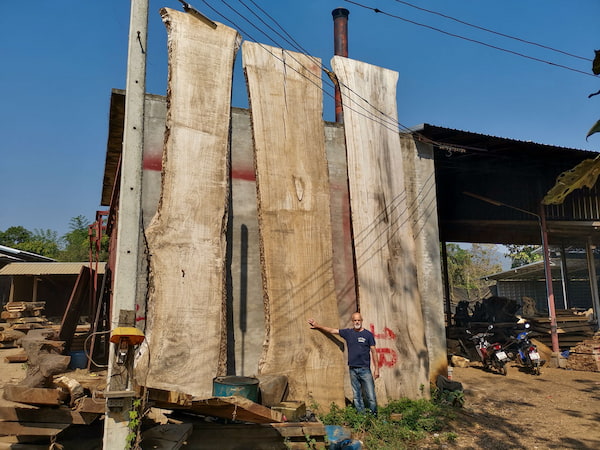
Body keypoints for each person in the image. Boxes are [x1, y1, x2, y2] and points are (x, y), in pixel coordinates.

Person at [308, 312, 379, 414]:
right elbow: (332, 330)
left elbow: (374, 351)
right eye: (355, 320)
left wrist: (376, 369)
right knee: (356, 395)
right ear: (352, 321)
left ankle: (373, 416)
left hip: (365, 370)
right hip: (353, 369)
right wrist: (317, 325)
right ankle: (362, 416)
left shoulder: (368, 335)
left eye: (359, 320)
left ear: (362, 321)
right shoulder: (348, 333)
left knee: (371, 396)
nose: (357, 322)